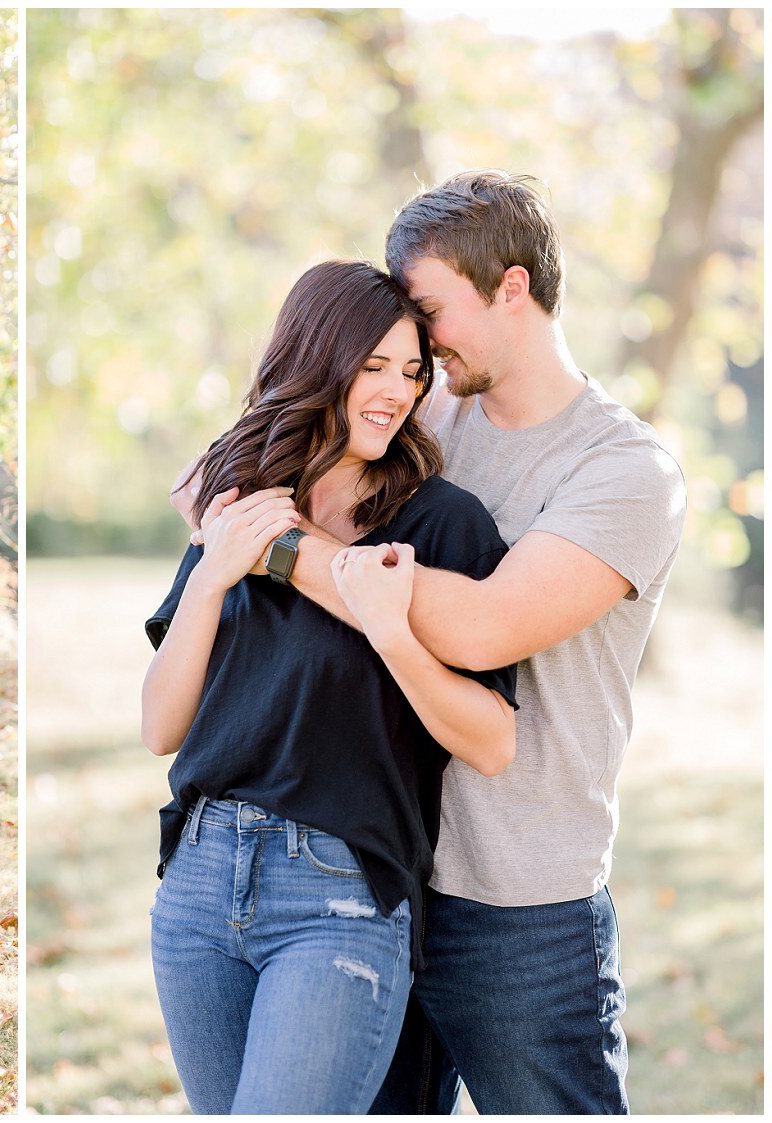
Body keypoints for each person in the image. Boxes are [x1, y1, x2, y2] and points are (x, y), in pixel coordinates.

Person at [176, 171, 686, 1114]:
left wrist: (280, 547)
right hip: (366, 876)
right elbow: (209, 485)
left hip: (518, 907)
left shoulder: (623, 470)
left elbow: (489, 621)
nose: (419, 346)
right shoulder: (422, 412)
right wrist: (239, 522)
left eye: (432, 310)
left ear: (513, 287)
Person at [143, 259, 519, 1114]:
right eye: (375, 366)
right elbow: (161, 725)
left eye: (414, 371)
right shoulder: (237, 504)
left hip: (339, 890)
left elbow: (492, 739)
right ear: (319, 360)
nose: (398, 391)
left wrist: (389, 625)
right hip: (199, 880)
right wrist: (212, 573)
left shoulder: (440, 522)